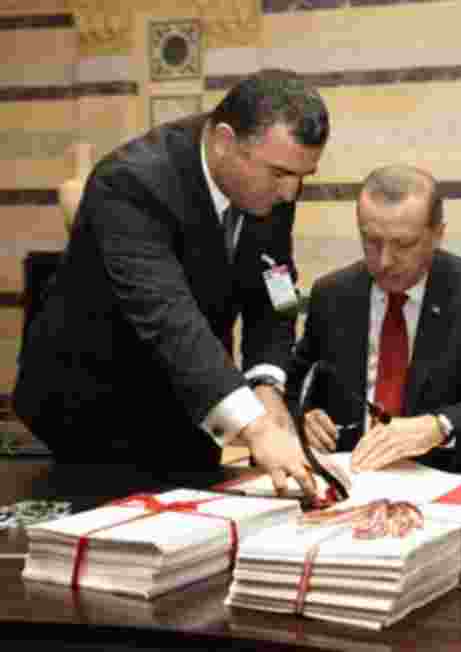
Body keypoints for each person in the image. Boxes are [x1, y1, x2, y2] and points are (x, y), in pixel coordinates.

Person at [14, 69, 328, 496]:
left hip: (190, 411)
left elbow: (276, 292)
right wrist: (255, 426)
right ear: (224, 142)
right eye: (279, 174)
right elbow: (167, 316)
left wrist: (267, 384)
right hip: (90, 410)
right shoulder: (130, 183)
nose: (291, 193)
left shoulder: (273, 189)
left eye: (302, 177)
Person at [290, 164, 461, 474]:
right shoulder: (332, 295)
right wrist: (302, 418)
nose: (384, 261)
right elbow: (291, 383)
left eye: (403, 244)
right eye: (371, 241)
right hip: (349, 477)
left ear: (437, 234)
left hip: (443, 478)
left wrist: (436, 427)